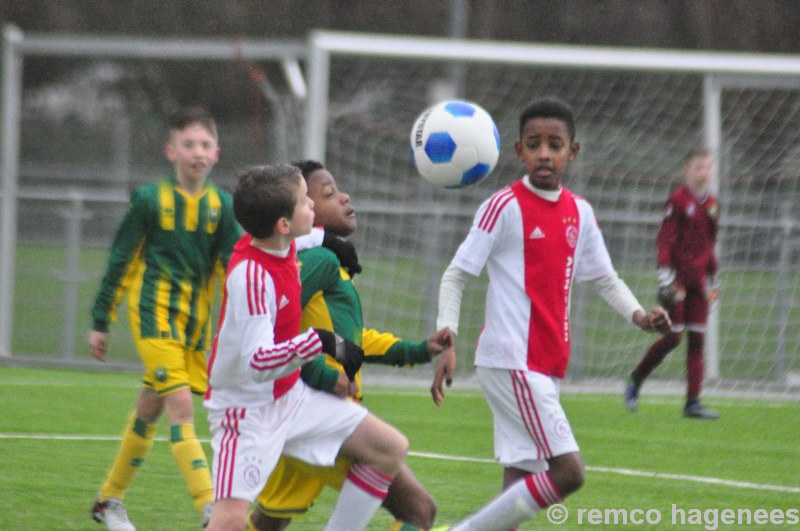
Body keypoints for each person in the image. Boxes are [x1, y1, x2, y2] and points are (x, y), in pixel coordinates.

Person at [430, 98, 671, 530]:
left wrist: (641, 317)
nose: (544, 153)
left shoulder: (581, 212)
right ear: (519, 152)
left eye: (554, 144)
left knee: (519, 479)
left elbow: (605, 278)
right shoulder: (503, 206)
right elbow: (456, 275)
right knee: (569, 472)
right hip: (512, 359)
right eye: (534, 144)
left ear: (571, 152)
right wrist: (445, 340)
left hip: (545, 362)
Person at [248, 160, 454, 531]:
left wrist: (418, 350)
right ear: (296, 213)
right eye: (326, 194)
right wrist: (326, 376)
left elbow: (353, 342)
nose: (343, 197)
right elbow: (277, 333)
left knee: (264, 524)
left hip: (296, 414)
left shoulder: (326, 261)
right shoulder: (312, 261)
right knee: (419, 512)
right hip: (320, 412)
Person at [204, 163, 411, 531]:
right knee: (230, 522)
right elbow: (258, 361)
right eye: (304, 202)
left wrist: (332, 241)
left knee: (389, 448)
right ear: (283, 224)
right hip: (246, 411)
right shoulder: (251, 276)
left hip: (292, 399)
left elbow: (309, 238)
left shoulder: (279, 241)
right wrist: (322, 341)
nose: (313, 207)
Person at [88, 106, 241, 531]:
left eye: (205, 145)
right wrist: (102, 318)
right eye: (188, 144)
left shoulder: (222, 206)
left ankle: (108, 501)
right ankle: (211, 508)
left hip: (193, 329)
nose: (197, 152)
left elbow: (235, 267)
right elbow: (120, 260)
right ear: (171, 151)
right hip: (153, 317)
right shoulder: (149, 200)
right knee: (180, 409)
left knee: (149, 411)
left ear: (216, 154)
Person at [624, 147, 720, 419]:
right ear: (686, 171)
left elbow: (710, 243)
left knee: (697, 340)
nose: (704, 172)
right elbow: (665, 239)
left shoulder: (712, 204)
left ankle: (693, 402)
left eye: (707, 167)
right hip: (677, 282)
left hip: (700, 283)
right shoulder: (677, 201)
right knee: (673, 337)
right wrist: (664, 274)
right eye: (698, 167)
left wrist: (713, 277)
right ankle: (637, 377)